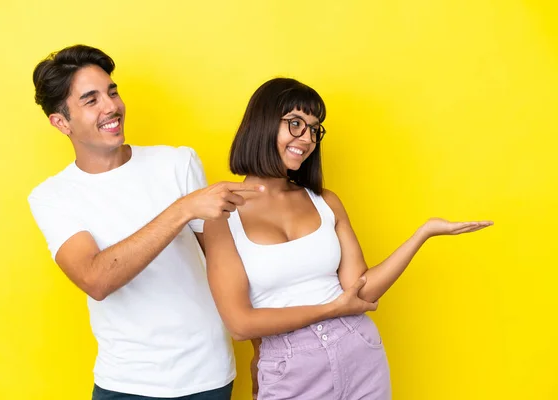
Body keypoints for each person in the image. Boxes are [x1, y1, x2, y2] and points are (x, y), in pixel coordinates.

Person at [203, 78, 493, 400]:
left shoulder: (325, 201)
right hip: (290, 366)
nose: (308, 138)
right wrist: (331, 308)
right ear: (263, 123)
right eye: (296, 124)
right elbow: (240, 324)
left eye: (314, 129)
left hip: (359, 351)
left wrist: (422, 234)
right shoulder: (221, 214)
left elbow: (361, 290)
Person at [28, 44, 264, 400]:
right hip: (126, 382)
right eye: (91, 100)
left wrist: (264, 352)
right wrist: (182, 209)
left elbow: (226, 264)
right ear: (60, 122)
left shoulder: (177, 163)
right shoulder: (53, 196)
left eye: (112, 91)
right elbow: (96, 278)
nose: (112, 107)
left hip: (207, 375)